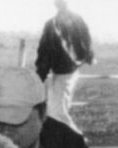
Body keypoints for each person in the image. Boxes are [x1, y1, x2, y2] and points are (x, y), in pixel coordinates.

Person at [35, 0, 94, 134]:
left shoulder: (52, 25)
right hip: (72, 71)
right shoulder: (77, 19)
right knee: (57, 110)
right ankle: (69, 141)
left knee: (56, 113)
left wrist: (40, 76)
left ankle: (77, 141)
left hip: (62, 73)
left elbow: (45, 53)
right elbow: (87, 41)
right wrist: (85, 58)